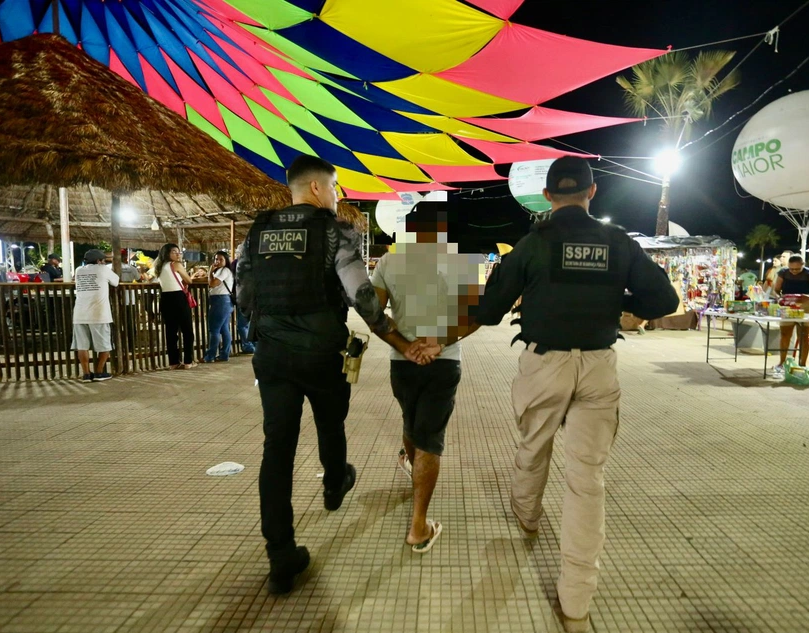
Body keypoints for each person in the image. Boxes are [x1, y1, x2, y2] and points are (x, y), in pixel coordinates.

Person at [475, 156, 679, 633]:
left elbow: (488, 310)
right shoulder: (618, 241)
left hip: (544, 364)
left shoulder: (532, 244)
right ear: (592, 193)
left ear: (547, 197)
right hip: (598, 366)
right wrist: (618, 300)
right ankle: (576, 607)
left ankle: (527, 517)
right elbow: (664, 301)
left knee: (533, 447)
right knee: (587, 482)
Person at [236, 155, 432, 595]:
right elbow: (362, 298)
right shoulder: (336, 232)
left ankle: (281, 554)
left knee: (277, 449)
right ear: (319, 189)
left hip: (271, 358)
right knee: (330, 422)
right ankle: (334, 480)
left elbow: (244, 292)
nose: (339, 194)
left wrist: (271, 328)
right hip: (321, 353)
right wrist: (399, 340)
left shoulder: (259, 231)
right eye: (337, 186)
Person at [371, 206, 483, 553]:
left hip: (402, 363)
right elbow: (477, 316)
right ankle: (418, 527)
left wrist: (407, 347)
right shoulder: (463, 261)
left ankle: (413, 469)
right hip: (444, 362)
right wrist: (440, 342)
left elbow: (373, 314)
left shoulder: (390, 261)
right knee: (430, 439)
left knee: (412, 424)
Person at [71, 249, 119, 382]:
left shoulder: (78, 270)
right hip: (99, 313)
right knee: (104, 344)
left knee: (82, 345)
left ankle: (86, 374)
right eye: (103, 260)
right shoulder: (102, 269)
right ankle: (99, 372)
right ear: (99, 261)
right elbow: (116, 281)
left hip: (79, 313)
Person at [772, 254, 809, 374]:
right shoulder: (783, 272)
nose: (794, 271)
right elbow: (776, 289)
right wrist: (779, 298)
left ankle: (802, 364)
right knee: (785, 334)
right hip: (788, 303)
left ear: (803, 266)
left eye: (797, 269)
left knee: (803, 335)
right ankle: (781, 363)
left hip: (806, 305)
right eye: (791, 269)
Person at [153, 243, 197, 369]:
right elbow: (189, 280)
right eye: (174, 252)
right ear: (167, 253)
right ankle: (188, 361)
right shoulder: (176, 265)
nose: (177, 254)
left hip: (165, 298)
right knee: (187, 331)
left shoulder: (158, 266)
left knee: (171, 332)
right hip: (178, 298)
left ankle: (173, 362)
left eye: (178, 252)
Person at [200, 250, 235, 363]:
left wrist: (210, 271)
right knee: (224, 329)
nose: (218, 261)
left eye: (221, 259)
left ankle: (210, 356)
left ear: (226, 260)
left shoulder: (224, 271)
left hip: (220, 301)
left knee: (214, 329)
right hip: (224, 301)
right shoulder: (223, 271)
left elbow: (212, 283)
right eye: (216, 259)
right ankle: (224, 355)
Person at [230, 243, 255, 354]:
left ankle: (248, 345)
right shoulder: (256, 263)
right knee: (253, 322)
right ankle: (254, 344)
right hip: (255, 297)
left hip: (243, 297)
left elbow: (234, 280)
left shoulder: (237, 264)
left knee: (242, 324)